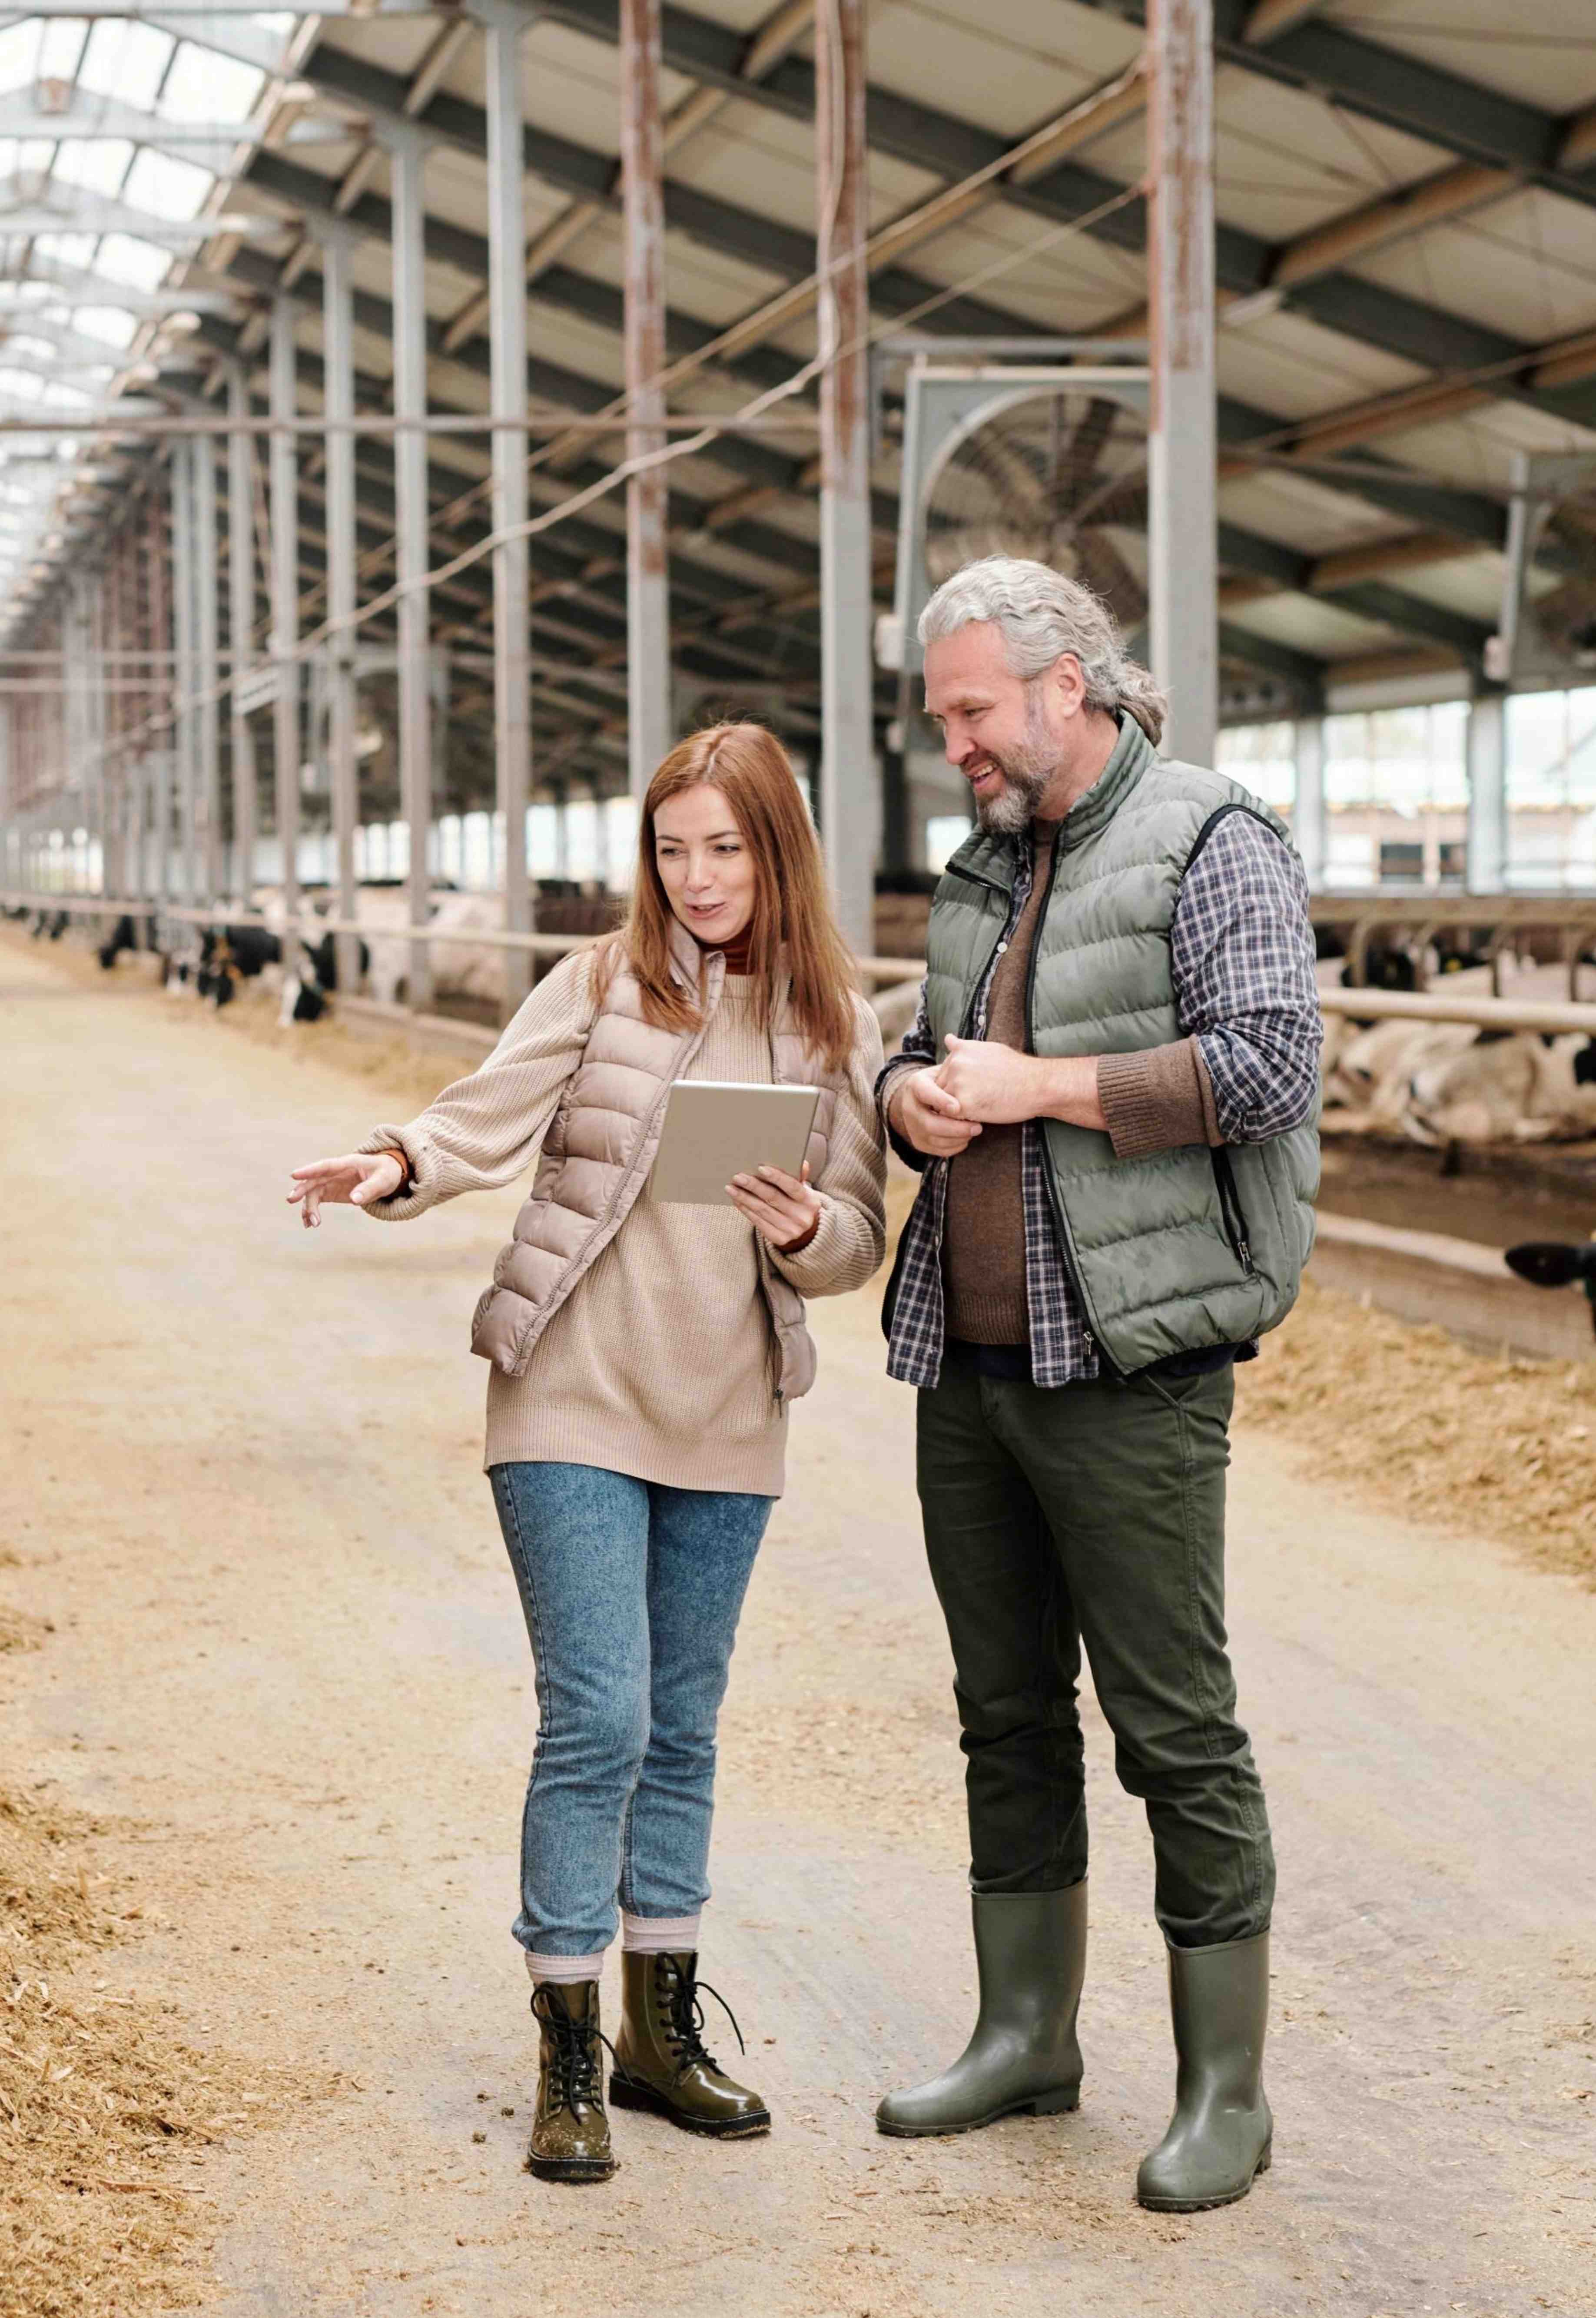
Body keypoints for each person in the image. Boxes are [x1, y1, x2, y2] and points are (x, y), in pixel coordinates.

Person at [287, 724, 887, 2184]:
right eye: (673, 850)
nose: (696, 878)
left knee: (682, 1724)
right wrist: (394, 1165)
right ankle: (565, 2043)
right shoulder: (603, 984)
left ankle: (659, 2035)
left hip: (729, 1410)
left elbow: (861, 1232)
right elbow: (479, 1120)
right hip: (571, 1393)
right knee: (601, 1717)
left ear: (778, 850)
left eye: (725, 848)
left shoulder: (835, 1026)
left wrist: (810, 1233)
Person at [873, 557, 1321, 2212]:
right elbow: (927, 1050)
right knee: (1004, 1714)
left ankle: (1227, 2094)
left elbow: (1271, 1063)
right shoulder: (979, 869)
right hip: (971, 1359)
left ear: (1067, 684)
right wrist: (906, 1092)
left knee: (1173, 1727)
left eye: (975, 712)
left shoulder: (1216, 839)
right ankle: (1025, 2035)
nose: (958, 748)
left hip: (1131, 1362)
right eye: (944, 719)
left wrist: (1043, 1084)